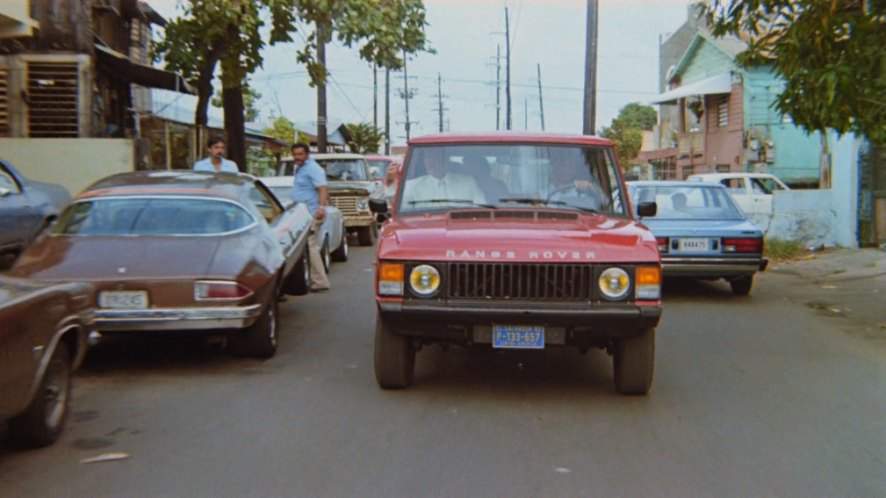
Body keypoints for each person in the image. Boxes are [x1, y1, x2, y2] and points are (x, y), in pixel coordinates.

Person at [289, 143, 331, 292]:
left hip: (312, 212)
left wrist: (321, 208)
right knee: (307, 246)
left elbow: (322, 188)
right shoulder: (300, 168)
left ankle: (320, 281)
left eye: (300, 154)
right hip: (302, 214)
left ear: (307, 154)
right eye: (295, 154)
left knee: (310, 245)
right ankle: (312, 280)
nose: (297, 157)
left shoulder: (313, 168)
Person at [401, 148, 487, 208]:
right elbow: (403, 217)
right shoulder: (411, 186)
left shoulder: (468, 182)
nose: (430, 162)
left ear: (446, 160)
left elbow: (481, 210)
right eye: (427, 157)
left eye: (436, 157)